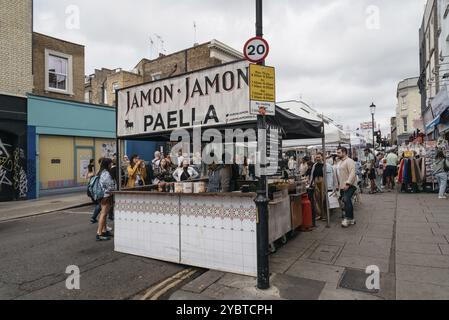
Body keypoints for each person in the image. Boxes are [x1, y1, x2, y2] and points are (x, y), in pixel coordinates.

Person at [336, 147, 357, 228]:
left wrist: (348, 183)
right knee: (346, 201)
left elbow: (352, 172)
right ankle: (351, 219)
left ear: (344, 152)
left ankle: (347, 218)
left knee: (346, 199)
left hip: (350, 185)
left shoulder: (349, 161)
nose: (337, 154)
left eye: (339, 152)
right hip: (342, 185)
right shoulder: (340, 162)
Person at [96, 158, 116, 241]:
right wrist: (114, 188)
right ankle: (99, 233)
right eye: (110, 164)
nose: (111, 165)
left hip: (103, 195)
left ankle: (104, 231)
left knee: (103, 213)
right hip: (106, 195)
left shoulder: (101, 172)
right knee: (103, 214)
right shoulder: (105, 173)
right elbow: (108, 185)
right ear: (107, 164)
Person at [309, 152, 326, 221]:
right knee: (317, 199)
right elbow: (312, 174)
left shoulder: (325, 165)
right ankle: (319, 214)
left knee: (323, 199)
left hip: (323, 182)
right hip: (316, 182)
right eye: (316, 157)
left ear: (322, 157)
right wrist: (311, 183)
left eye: (319, 157)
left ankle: (324, 215)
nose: (317, 158)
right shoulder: (314, 165)